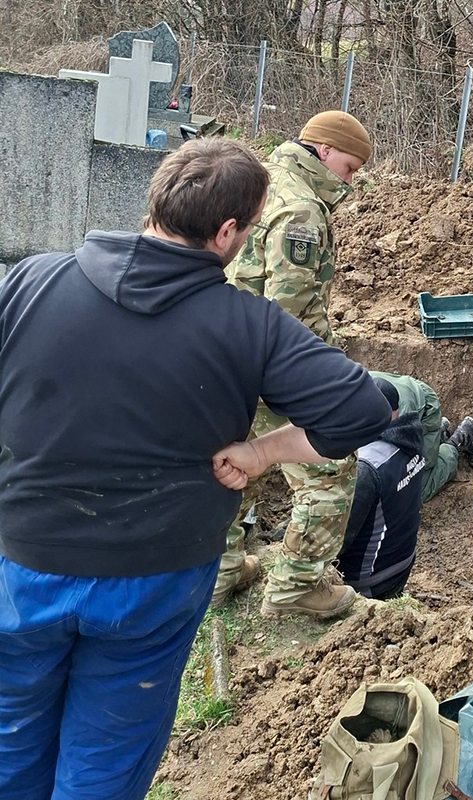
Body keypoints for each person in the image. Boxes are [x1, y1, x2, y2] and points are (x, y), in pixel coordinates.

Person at [0, 138, 391, 800]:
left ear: (153, 201)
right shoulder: (251, 327)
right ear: (228, 232)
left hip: (22, 566)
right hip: (151, 586)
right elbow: (364, 409)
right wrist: (263, 453)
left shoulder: (28, 282)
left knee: (9, 737)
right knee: (107, 754)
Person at [216, 109, 375, 617]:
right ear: (324, 150)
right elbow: (285, 318)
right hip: (273, 369)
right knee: (330, 471)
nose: (349, 181)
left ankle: (218, 574)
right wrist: (323, 384)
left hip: (229, 359)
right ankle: (295, 589)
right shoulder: (302, 212)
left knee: (242, 463)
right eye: (349, 168)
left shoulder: (263, 183)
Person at [336, 379, 428, 599]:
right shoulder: (411, 440)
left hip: (368, 581)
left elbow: (339, 539)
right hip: (402, 565)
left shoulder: (368, 466)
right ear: (395, 411)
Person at [370, 371, 473, 502]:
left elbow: (397, 467)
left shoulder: (397, 416)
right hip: (405, 399)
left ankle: (459, 438)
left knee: (413, 483)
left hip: (421, 408)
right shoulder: (348, 396)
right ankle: (438, 433)